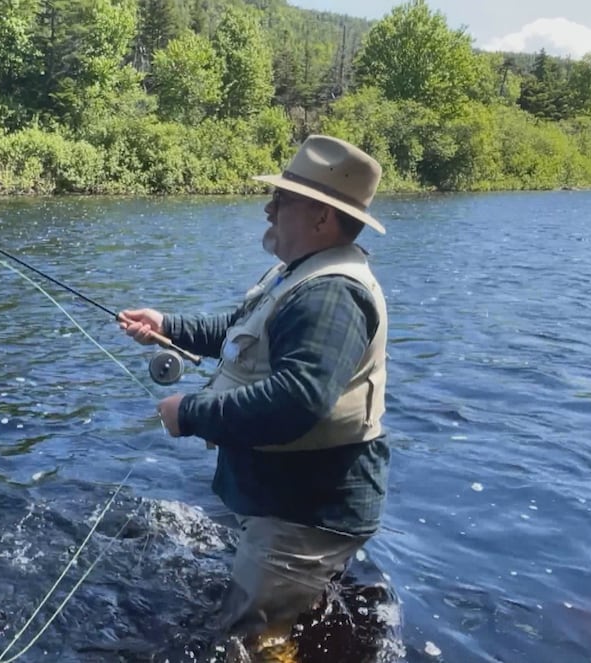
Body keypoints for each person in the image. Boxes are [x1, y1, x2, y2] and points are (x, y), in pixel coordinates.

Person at [119, 135, 391, 656]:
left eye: (283, 200)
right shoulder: (299, 275)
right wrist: (168, 326)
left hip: (305, 512)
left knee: (251, 640)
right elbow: (241, 329)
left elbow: (299, 399)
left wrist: (190, 412)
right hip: (288, 500)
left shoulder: (332, 294)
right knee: (286, 622)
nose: (269, 208)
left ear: (321, 219)